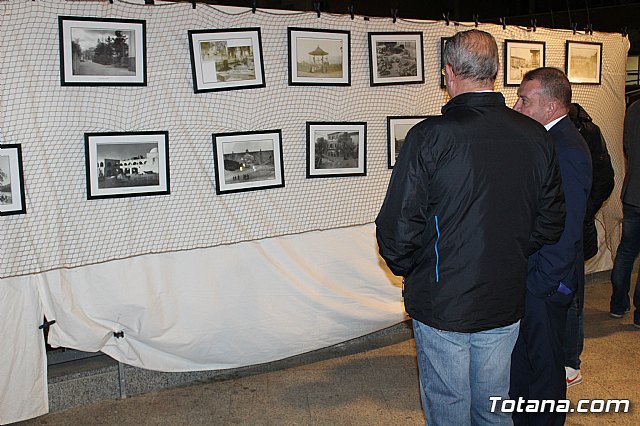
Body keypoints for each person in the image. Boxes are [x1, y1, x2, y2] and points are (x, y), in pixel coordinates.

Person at [375, 30, 566, 425]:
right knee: (495, 404)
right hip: (504, 295)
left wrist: (418, 270)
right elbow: (551, 222)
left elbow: (397, 230)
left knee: (449, 406)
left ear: (448, 73)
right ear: (495, 72)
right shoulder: (535, 136)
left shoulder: (429, 137)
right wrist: (508, 251)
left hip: (445, 301)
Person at [510, 67, 592, 426]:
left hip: (545, 281)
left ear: (551, 105)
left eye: (525, 100)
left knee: (544, 369)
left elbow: (568, 225)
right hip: (535, 277)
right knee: (527, 362)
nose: (516, 105)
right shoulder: (547, 140)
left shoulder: (566, 149)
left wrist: (543, 283)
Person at [564, 103, 615, 387]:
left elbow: (604, 179)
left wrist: (584, 211)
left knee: (571, 299)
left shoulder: (584, 133)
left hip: (574, 233)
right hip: (570, 230)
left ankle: (572, 364)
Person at [610, 99, 640, 326]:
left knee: (626, 251)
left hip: (632, 193)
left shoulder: (633, 108)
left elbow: (627, 148)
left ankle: (618, 304)